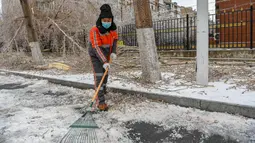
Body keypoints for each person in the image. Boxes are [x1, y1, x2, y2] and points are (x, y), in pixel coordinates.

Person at [88, 4, 118, 111]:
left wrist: (113, 52)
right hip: (96, 55)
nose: (107, 22)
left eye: (109, 20)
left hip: (107, 55)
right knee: (100, 76)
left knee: (105, 76)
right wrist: (104, 61)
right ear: (101, 20)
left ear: (111, 20)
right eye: (105, 20)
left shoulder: (113, 29)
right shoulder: (95, 30)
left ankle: (102, 89)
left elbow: (115, 40)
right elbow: (96, 48)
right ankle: (100, 102)